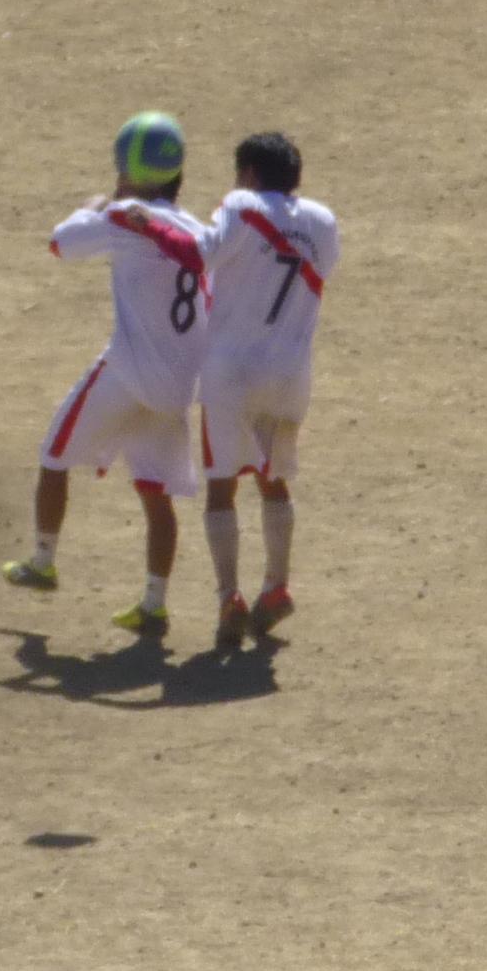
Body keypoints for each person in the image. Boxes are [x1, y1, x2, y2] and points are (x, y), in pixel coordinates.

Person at [1, 111, 210, 640]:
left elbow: (60, 244)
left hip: (128, 372)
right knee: (155, 494)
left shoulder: (125, 215)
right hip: (178, 387)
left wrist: (91, 203)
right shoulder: (200, 231)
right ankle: (154, 603)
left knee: (54, 453)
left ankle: (43, 560)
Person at [194, 129, 336, 654]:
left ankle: (229, 596)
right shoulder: (323, 222)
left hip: (231, 371)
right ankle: (276, 586)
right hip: (290, 372)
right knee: (275, 481)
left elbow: (202, 253)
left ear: (248, 174)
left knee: (221, 486)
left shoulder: (241, 204)